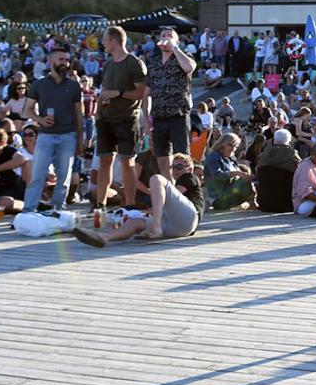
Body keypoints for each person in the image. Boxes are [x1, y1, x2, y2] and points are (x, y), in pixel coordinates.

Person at [73, 153, 203, 246]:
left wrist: (157, 191)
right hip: (175, 226)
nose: (175, 171)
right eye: (172, 167)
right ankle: (103, 238)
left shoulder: (190, 177)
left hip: (189, 218)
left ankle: (156, 227)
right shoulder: (176, 184)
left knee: (156, 178)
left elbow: (172, 197)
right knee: (136, 222)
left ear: (190, 169)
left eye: (179, 167)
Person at [93, 26, 148, 210]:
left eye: (105, 40)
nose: (103, 43)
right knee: (104, 161)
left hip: (126, 118)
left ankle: (131, 204)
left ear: (115, 41)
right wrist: (98, 111)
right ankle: (101, 204)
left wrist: (119, 93)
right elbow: (104, 91)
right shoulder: (108, 63)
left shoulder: (134, 62)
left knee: (127, 161)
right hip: (105, 119)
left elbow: (142, 92)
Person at [22, 48, 84, 211]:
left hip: (68, 135)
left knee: (64, 177)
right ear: (51, 61)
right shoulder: (39, 84)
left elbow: (79, 113)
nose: (65, 63)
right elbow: (27, 110)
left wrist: (80, 139)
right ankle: (29, 210)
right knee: (37, 175)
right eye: (61, 59)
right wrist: (40, 119)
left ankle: (58, 209)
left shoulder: (74, 86)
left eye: (67, 60)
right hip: (45, 136)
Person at [144, 28, 197, 178]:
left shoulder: (183, 56)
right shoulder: (153, 62)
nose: (165, 38)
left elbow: (189, 67)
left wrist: (175, 48)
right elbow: (146, 93)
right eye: (163, 35)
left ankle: (186, 193)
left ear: (177, 40)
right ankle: (170, 194)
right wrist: (146, 120)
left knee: (182, 160)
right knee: (162, 160)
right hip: (158, 117)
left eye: (169, 36)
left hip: (178, 115)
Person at [203, 133, 256, 210]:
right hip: (218, 198)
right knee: (245, 182)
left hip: (230, 192)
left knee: (250, 181)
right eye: (231, 146)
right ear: (222, 144)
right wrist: (237, 173)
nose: (233, 149)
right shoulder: (213, 157)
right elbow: (217, 175)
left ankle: (252, 203)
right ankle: (252, 204)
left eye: (235, 147)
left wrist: (245, 175)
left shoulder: (231, 158)